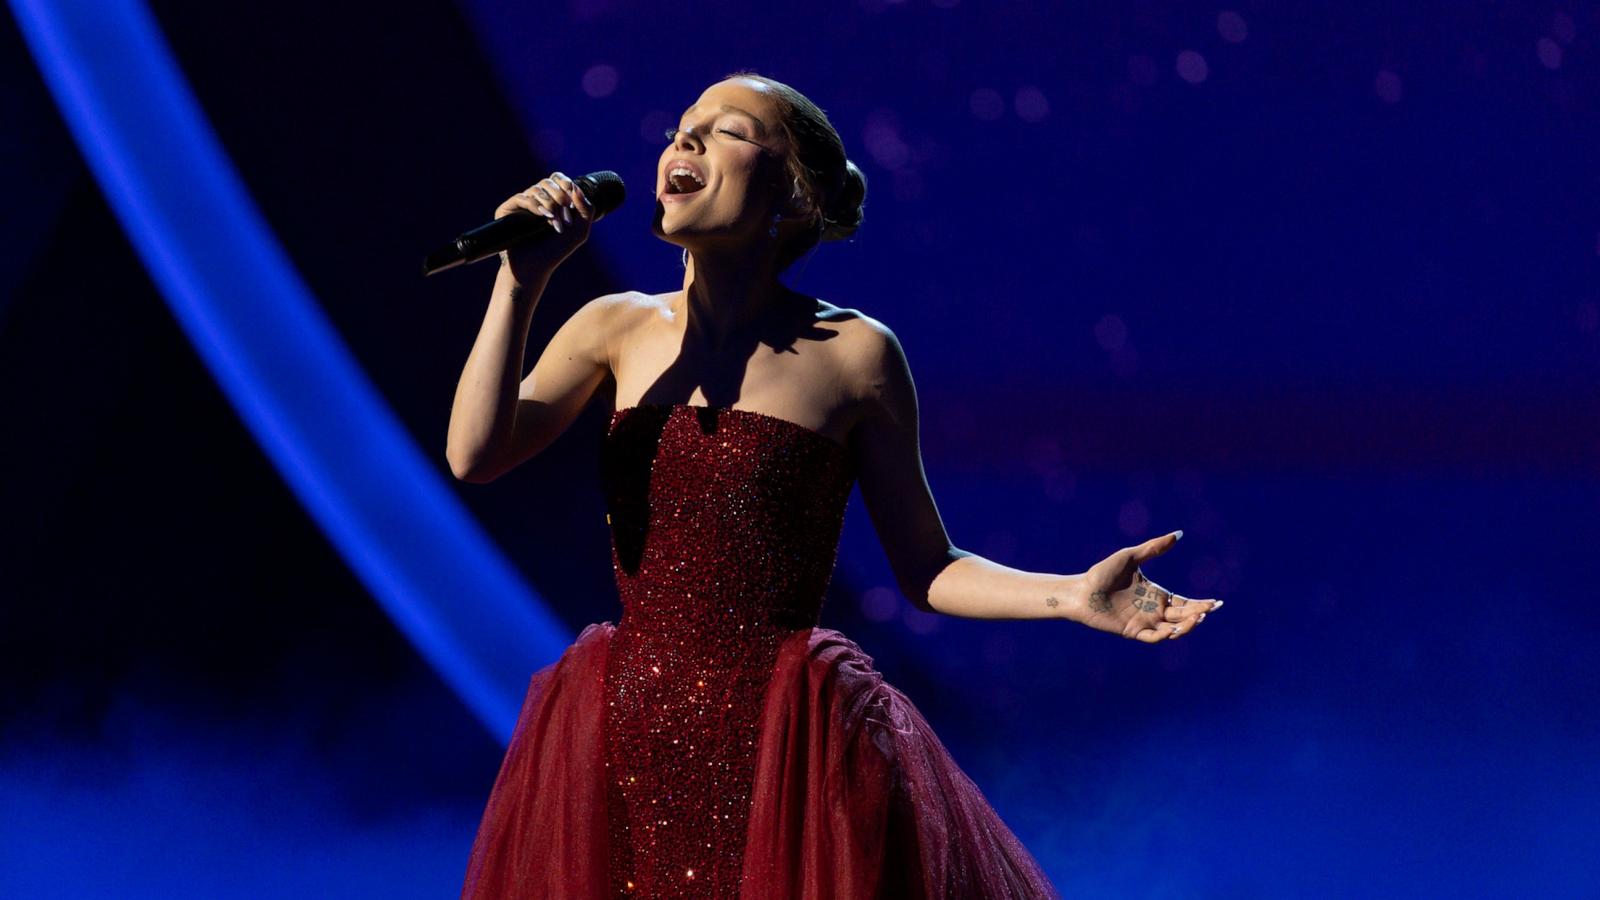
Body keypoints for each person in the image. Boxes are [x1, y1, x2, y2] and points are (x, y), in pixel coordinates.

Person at [447, 70, 1223, 899]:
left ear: (793, 192)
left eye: (729, 129)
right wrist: (519, 283)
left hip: (790, 749)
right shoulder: (614, 326)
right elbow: (474, 454)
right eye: (681, 127)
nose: (688, 139)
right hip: (624, 734)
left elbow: (928, 565)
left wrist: (1069, 594)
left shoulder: (855, 354)